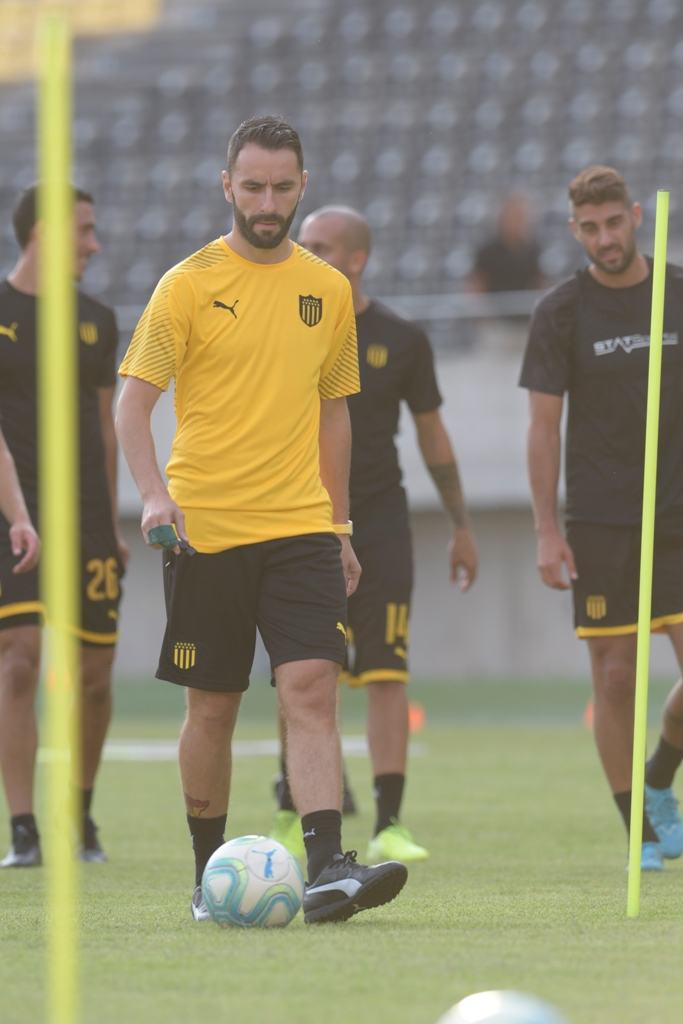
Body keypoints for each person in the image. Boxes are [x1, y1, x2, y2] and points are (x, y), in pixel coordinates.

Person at [116, 115, 408, 924]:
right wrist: (152, 494)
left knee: (311, 686)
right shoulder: (187, 284)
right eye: (253, 187)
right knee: (212, 706)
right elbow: (132, 405)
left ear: (301, 186)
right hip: (206, 529)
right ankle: (210, 876)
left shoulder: (327, 288)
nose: (267, 201)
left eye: (282, 187)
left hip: (302, 528)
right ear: (227, 187)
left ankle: (325, 868)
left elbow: (334, 416)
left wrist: (341, 528)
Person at [268, 206, 478, 865]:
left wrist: (462, 525)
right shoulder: (284, 327)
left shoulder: (400, 337)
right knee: (298, 670)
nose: (306, 253)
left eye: (320, 246)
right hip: (298, 518)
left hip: (381, 523)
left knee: (386, 672)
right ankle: (289, 811)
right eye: (303, 245)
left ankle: (389, 823)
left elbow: (432, 434)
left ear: (356, 259)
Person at [519, 165, 683, 871]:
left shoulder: (676, 294)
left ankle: (658, 777)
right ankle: (637, 829)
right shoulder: (559, 310)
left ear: (635, 217)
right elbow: (540, 428)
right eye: (588, 227)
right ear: (573, 229)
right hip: (600, 520)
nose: (603, 238)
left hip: (679, 512)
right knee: (615, 678)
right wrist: (545, 530)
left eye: (613, 222)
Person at [0, 185, 128, 868]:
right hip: (11, 519)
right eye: (83, 230)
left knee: (97, 676)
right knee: (18, 661)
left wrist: (110, 524)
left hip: (85, 522)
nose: (93, 244)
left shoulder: (97, 320)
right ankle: (23, 829)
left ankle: (78, 813)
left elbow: (106, 429)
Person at [469, 192, 544, 294]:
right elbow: (477, 286)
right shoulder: (488, 252)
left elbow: (539, 283)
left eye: (520, 217)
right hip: (495, 308)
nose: (517, 222)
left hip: (525, 308)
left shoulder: (533, 250)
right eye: (513, 216)